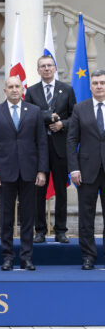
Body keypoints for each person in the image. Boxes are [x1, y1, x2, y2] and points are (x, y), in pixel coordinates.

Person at [0, 76, 48, 271]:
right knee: (6, 217)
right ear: (4, 90)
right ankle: (7, 257)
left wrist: (42, 170)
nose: (14, 90)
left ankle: (26, 257)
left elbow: (42, 143)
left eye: (17, 86)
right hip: (5, 173)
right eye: (10, 87)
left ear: (23, 89)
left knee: (28, 216)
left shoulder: (35, 111)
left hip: (30, 172)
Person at [25, 55, 76, 244]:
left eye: (49, 66)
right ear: (38, 70)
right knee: (39, 190)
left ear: (55, 68)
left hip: (60, 148)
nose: (46, 69)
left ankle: (60, 230)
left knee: (61, 191)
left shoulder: (67, 90)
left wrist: (62, 124)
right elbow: (29, 116)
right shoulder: (31, 91)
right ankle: (39, 230)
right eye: (42, 66)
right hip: (38, 149)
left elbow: (75, 117)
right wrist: (47, 116)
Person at [67, 70, 105, 270]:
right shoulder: (80, 109)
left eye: (102, 83)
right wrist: (73, 168)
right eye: (96, 83)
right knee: (86, 217)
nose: (99, 86)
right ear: (90, 86)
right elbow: (72, 140)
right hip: (86, 171)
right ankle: (88, 256)